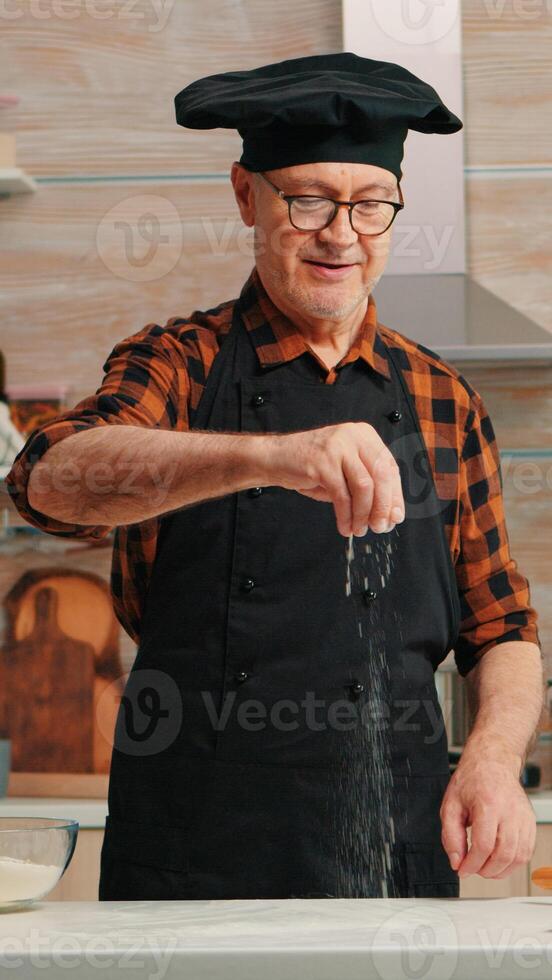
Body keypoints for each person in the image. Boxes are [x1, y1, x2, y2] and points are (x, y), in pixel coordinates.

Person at [7, 53, 544, 900]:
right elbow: (50, 479)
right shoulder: (179, 363)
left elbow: (502, 625)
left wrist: (493, 759)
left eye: (369, 205)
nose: (342, 234)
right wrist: (269, 456)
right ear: (245, 195)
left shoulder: (445, 397)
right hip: (195, 854)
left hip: (400, 845)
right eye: (309, 200)